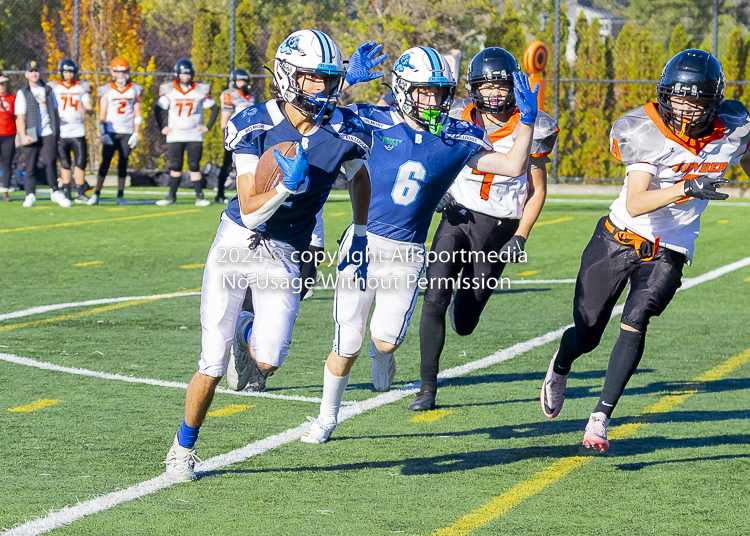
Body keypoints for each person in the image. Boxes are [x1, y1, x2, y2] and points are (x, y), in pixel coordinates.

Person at [301, 45, 539, 444]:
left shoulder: (457, 135)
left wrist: (527, 120)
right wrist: (345, 83)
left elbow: (513, 166)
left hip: (407, 253)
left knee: (385, 341)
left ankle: (383, 354)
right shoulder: (373, 119)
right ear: (403, 89)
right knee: (347, 340)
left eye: (441, 92)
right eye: (425, 92)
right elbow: (316, 120)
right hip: (362, 242)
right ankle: (326, 419)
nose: (435, 100)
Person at [164, 29, 373, 482]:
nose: (323, 88)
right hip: (239, 240)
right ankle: (183, 448)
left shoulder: (344, 128)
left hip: (288, 250)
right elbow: (248, 209)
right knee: (212, 363)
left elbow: (358, 176)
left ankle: (247, 330)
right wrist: (282, 188)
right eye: (312, 78)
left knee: (267, 361)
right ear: (286, 75)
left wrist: (359, 230)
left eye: (330, 79)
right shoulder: (253, 121)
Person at [540, 49, 750, 453]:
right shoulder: (645, 128)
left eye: (695, 100)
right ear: (664, 94)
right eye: (678, 97)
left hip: (670, 248)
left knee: (637, 319)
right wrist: (686, 187)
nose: (684, 108)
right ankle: (562, 363)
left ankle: (600, 417)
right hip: (617, 237)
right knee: (587, 333)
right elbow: (636, 202)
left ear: (714, 101)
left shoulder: (733, 129)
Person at [412, 47, 559, 411]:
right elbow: (430, 154)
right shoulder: (455, 113)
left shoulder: (533, 124)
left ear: (513, 87)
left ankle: (461, 312)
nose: (493, 93)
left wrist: (521, 236)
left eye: (500, 85)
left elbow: (537, 190)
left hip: (498, 228)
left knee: (464, 322)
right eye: (485, 85)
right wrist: (439, 190)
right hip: (457, 218)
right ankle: (426, 389)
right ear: (473, 87)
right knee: (434, 300)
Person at [155, 59, 219, 207]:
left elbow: (214, 108)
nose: (186, 77)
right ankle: (171, 196)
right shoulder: (169, 89)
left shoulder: (200, 89)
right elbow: (158, 109)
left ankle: (199, 197)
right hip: (175, 134)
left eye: (188, 74)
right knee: (175, 165)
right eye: (183, 74)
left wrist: (207, 126)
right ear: (177, 74)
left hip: (194, 135)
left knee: (194, 165)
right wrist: (162, 127)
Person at [89, 57, 143, 205]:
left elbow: (137, 114)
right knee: (105, 163)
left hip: (127, 131)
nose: (121, 75)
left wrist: (136, 132)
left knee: (123, 164)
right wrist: (103, 133)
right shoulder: (106, 89)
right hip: (112, 132)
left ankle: (120, 195)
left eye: (124, 71)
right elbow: (102, 115)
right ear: (112, 72)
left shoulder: (135, 89)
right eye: (118, 72)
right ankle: (96, 193)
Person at [15, 60, 68, 208]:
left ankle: (55, 191)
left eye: (36, 70)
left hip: (48, 132)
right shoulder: (23, 92)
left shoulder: (49, 90)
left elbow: (55, 112)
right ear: (26, 74)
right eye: (31, 71)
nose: (34, 74)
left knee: (51, 161)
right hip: (31, 132)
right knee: (30, 164)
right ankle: (30, 194)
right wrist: (22, 135)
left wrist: (57, 133)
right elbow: (20, 117)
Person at [47, 59, 93, 203]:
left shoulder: (81, 86)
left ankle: (80, 191)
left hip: (78, 131)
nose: (68, 75)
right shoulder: (53, 87)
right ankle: (67, 191)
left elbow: (89, 106)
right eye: (66, 72)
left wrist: (87, 109)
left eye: (71, 71)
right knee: (65, 163)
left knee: (80, 163)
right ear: (61, 72)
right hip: (61, 132)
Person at [216, 68, 255, 204]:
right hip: (234, 134)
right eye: (240, 80)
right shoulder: (229, 94)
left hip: (249, 135)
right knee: (227, 164)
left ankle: (246, 194)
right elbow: (224, 118)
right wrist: (227, 134)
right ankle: (220, 193)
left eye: (244, 80)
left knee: (248, 163)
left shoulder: (251, 95)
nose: (242, 83)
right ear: (233, 82)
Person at [0, 71, 16, 202]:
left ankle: (5, 191)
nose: (2, 86)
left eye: (4, 83)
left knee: (7, 164)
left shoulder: (13, 98)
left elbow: (18, 117)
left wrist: (17, 137)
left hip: (9, 135)